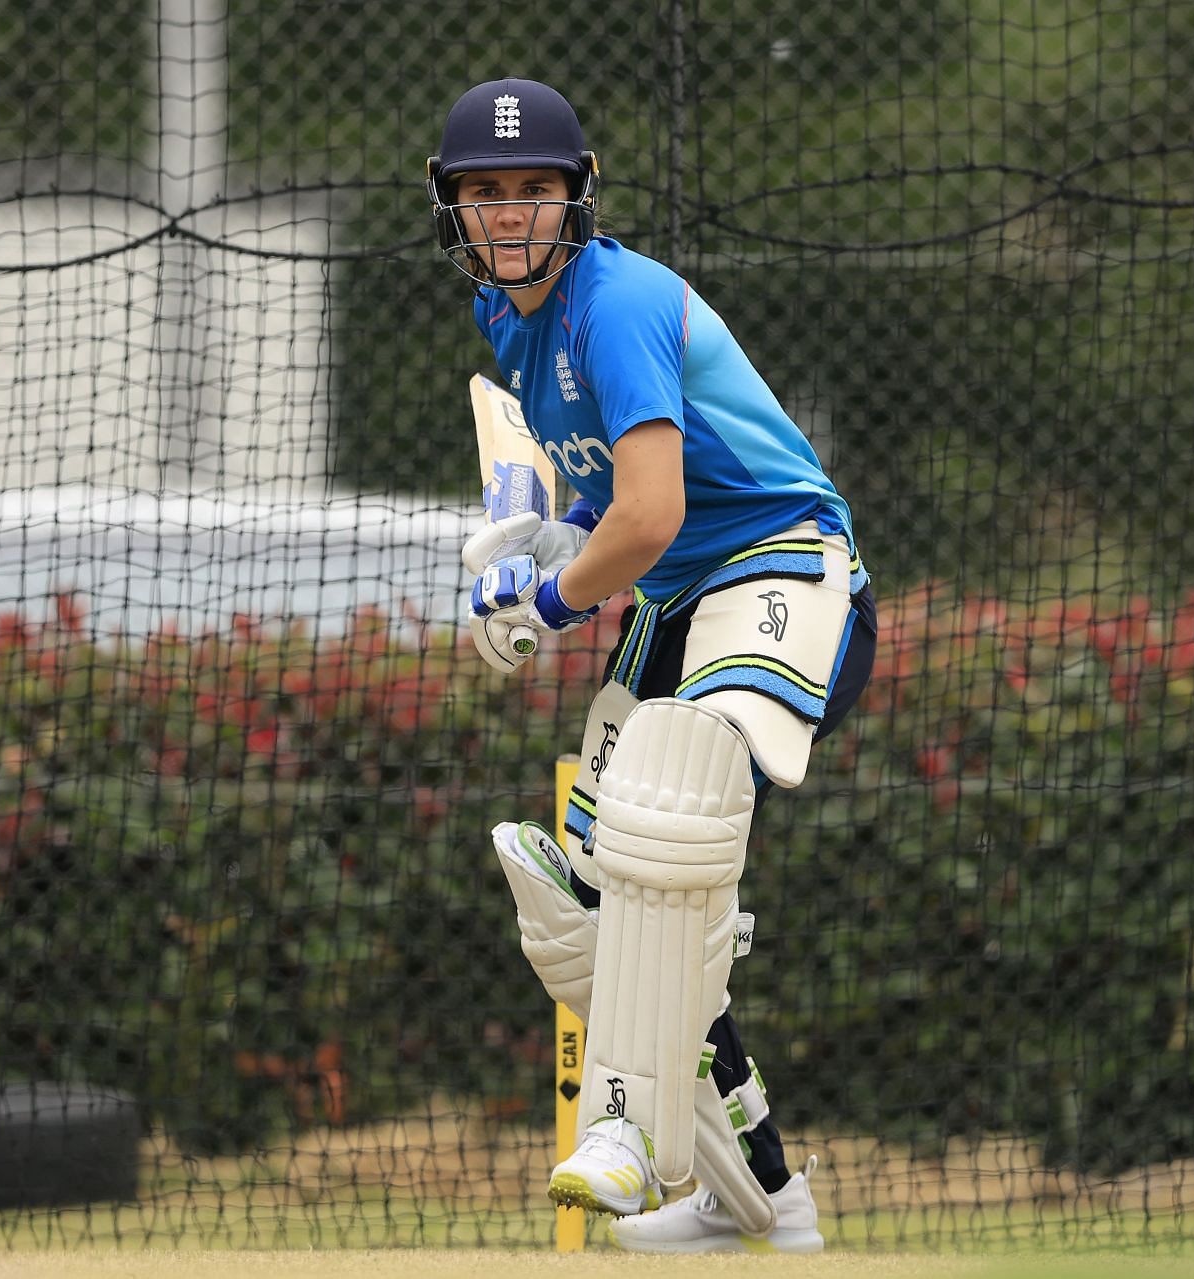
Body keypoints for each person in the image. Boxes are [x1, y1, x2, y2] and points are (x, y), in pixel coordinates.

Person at [430, 78, 879, 1253]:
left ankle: (624, 1132)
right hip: (685, 599)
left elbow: (655, 512)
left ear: (578, 200)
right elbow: (597, 499)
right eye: (489, 191)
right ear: (456, 211)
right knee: (594, 900)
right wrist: (539, 536)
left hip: (787, 574)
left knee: (660, 811)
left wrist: (545, 599)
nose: (514, 213)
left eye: (537, 189)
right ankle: (764, 1203)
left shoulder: (615, 300)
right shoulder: (508, 319)